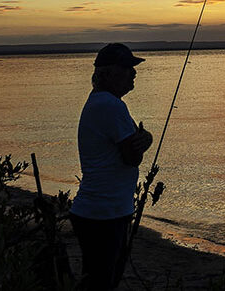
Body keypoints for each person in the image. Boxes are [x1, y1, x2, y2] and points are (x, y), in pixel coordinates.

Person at [69, 43, 153, 290]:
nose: (133, 73)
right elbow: (132, 157)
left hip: (102, 211)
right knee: (101, 282)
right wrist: (146, 140)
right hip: (104, 214)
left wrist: (143, 138)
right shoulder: (110, 105)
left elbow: (131, 145)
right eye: (127, 68)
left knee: (98, 279)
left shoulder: (101, 102)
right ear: (107, 73)